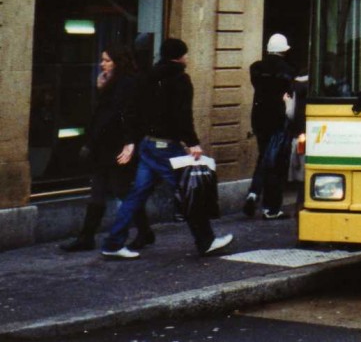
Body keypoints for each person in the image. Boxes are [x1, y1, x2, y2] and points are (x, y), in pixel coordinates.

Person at [100, 38, 232, 259]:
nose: (187, 58)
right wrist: (192, 142)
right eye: (186, 54)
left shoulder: (146, 77)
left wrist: (132, 140)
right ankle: (206, 240)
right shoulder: (180, 79)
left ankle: (113, 243)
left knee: (136, 194)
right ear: (180, 56)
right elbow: (183, 116)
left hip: (148, 145)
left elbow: (132, 111)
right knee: (188, 190)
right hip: (167, 148)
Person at [60, 45, 154, 252]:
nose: (102, 64)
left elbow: (127, 115)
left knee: (121, 190)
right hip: (103, 147)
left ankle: (145, 231)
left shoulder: (127, 83)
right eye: (102, 60)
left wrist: (129, 144)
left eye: (107, 60)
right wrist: (101, 89)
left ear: (118, 62)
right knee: (98, 191)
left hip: (116, 147)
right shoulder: (112, 82)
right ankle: (86, 237)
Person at [244, 33, 296, 220]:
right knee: (276, 164)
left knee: (264, 156)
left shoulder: (256, 68)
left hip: (259, 119)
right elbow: (290, 93)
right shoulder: (288, 70)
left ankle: (254, 194)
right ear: (284, 50)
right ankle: (271, 207)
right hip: (279, 120)